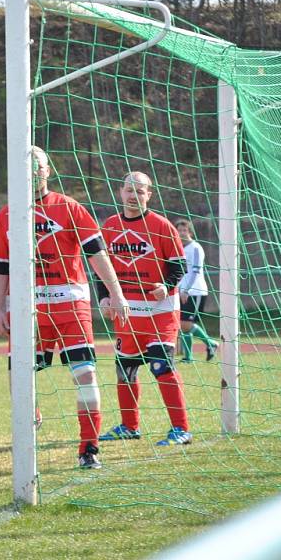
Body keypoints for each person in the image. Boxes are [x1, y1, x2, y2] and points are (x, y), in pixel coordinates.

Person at [0, 146, 129, 470]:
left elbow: (96, 253)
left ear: (48, 170)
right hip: (26, 311)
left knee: (86, 374)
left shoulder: (69, 208)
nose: (33, 171)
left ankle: (89, 448)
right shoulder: (7, 214)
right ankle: (29, 425)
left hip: (70, 306)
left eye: (38, 165)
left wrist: (116, 293)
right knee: (19, 376)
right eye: (26, 166)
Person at [97, 171, 193, 446]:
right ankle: (129, 426)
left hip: (160, 311)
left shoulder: (162, 226)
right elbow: (102, 269)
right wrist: (104, 297)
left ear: (149, 195)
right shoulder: (111, 226)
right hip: (127, 312)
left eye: (140, 191)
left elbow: (179, 266)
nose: (133, 195)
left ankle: (181, 429)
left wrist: (166, 284)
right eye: (129, 190)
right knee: (124, 369)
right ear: (120, 192)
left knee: (161, 365)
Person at [175, 219, 218, 363]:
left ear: (190, 232)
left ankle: (210, 343)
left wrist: (186, 289)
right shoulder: (178, 247)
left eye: (184, 230)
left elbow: (195, 270)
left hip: (195, 291)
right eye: (179, 230)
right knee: (182, 323)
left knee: (185, 324)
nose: (181, 233)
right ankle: (188, 357)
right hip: (181, 291)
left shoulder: (196, 247)